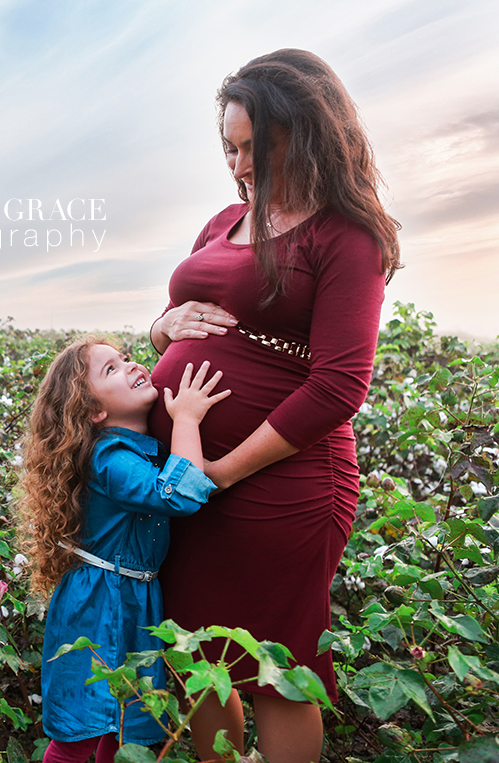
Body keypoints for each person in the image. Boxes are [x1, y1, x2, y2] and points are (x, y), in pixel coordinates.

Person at [147, 49, 402, 763]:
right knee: (198, 649)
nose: (238, 165)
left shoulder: (343, 235)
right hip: (190, 474)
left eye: (254, 147)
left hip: (282, 484)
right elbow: (175, 315)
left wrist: (219, 471)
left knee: (275, 667)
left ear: (307, 132)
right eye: (229, 148)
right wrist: (161, 328)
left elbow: (338, 387)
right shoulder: (223, 221)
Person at [16, 335, 230, 762]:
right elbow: (179, 496)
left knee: (127, 726)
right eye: (110, 369)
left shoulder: (129, 449)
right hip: (98, 604)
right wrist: (186, 418)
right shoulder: (108, 457)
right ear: (94, 411)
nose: (131, 366)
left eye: (127, 358)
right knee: (81, 729)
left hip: (130, 596)